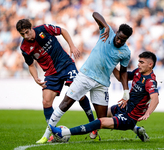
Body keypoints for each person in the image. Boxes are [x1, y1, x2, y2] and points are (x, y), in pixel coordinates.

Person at [46, 11, 133, 140]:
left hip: (102, 83)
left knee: (102, 119)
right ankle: (46, 134)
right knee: (65, 103)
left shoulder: (125, 52)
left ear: (126, 40)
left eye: (123, 40)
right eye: (119, 37)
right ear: (117, 32)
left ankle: (100, 129)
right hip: (85, 75)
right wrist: (106, 25)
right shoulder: (106, 32)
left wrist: (126, 91)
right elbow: (95, 14)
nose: (119, 41)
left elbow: (124, 72)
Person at [49, 51, 159, 142]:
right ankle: (137, 130)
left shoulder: (150, 81)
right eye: (138, 61)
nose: (138, 64)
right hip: (124, 107)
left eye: (141, 62)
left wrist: (148, 113)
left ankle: (62, 133)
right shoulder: (137, 73)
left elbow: (155, 99)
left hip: (130, 117)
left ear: (150, 65)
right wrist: (111, 65)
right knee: (100, 115)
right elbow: (121, 77)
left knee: (100, 122)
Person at [16, 19, 96, 144]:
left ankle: (93, 125)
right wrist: (35, 77)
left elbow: (62, 31)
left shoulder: (43, 29)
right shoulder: (24, 47)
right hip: (51, 74)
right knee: (46, 101)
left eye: (27, 32)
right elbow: (31, 65)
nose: (26, 36)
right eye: (22, 34)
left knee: (78, 94)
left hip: (66, 64)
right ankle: (51, 133)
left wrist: (72, 46)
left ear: (31, 28)